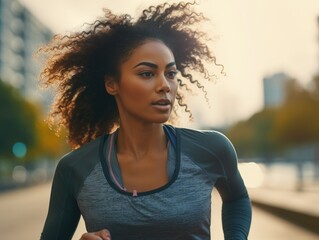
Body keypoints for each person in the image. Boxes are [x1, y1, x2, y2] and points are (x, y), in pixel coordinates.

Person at [39, 2, 252, 240]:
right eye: (147, 74)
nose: (165, 85)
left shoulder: (212, 149)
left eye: (171, 74)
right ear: (112, 84)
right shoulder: (75, 169)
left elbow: (237, 199)